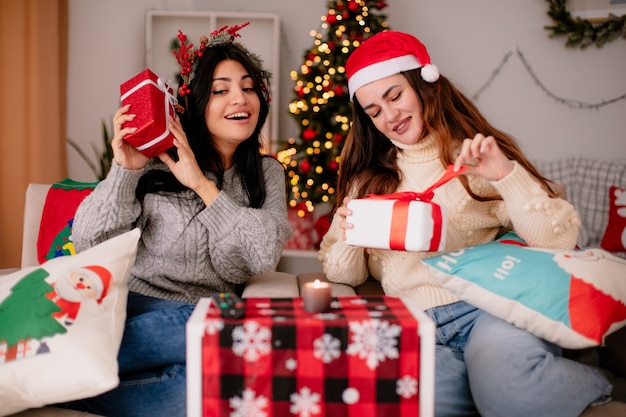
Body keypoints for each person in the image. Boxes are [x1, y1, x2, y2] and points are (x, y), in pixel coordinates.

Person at [319, 30, 612, 417]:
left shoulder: (474, 159)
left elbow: (557, 238)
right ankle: (500, 388)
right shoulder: (368, 181)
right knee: (421, 404)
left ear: (423, 85)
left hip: (490, 309)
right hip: (418, 326)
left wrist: (506, 176)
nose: (389, 116)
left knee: (510, 393)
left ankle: (592, 384)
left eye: (394, 96)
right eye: (374, 111)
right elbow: (343, 272)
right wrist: (351, 231)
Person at [60, 23, 291, 417]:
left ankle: (62, 381)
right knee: (219, 330)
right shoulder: (154, 159)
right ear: (198, 102)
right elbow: (89, 242)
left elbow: (263, 253)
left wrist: (202, 185)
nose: (240, 98)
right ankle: (68, 362)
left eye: (248, 87)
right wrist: (124, 171)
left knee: (202, 391)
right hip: (138, 310)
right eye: (221, 90)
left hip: (202, 322)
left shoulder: (267, 173)